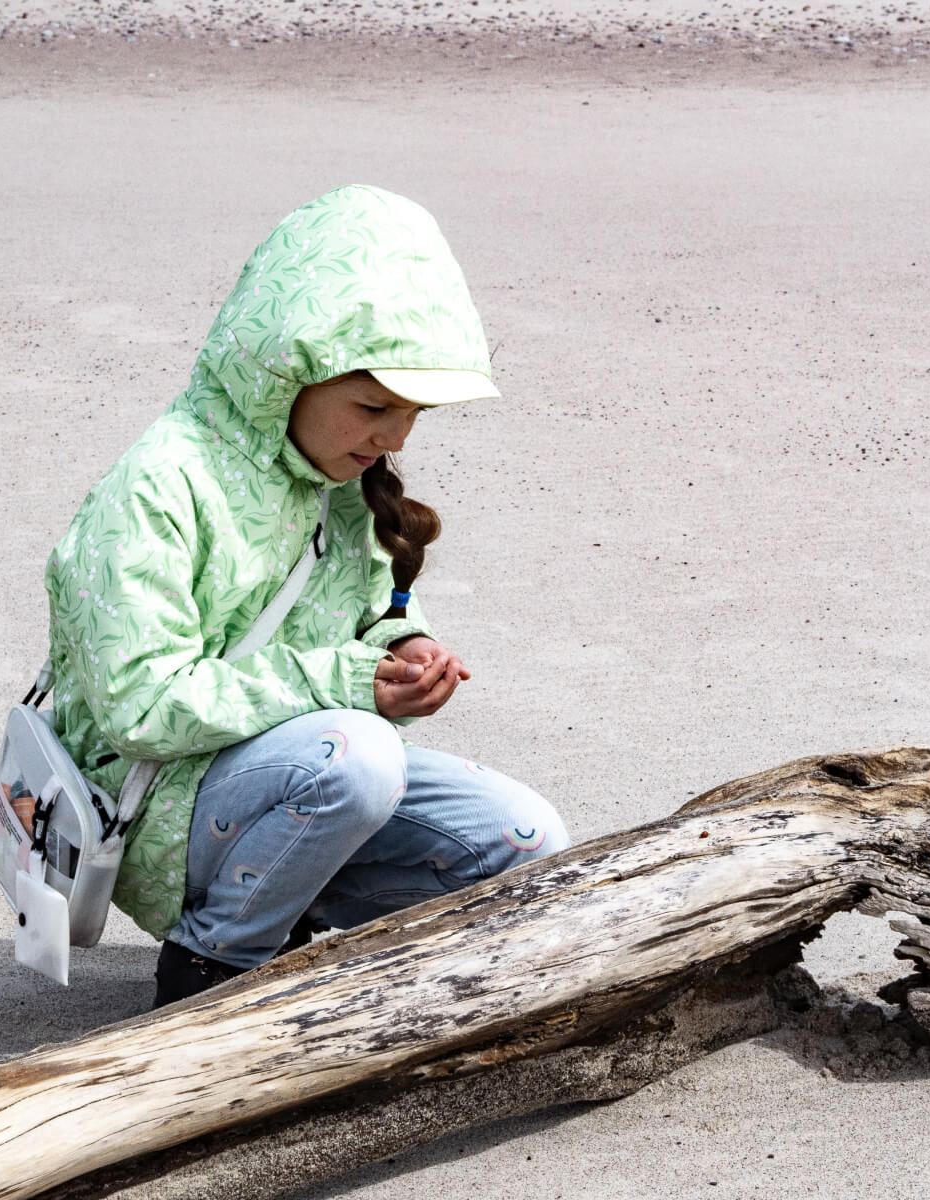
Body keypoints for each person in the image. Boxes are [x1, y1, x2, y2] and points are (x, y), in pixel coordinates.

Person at [41, 185, 571, 1007]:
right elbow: (138, 707)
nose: (394, 437)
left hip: (301, 775)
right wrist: (352, 685)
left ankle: (375, 986)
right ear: (284, 373)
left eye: (413, 412)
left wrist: (403, 646)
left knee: (525, 841)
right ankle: (213, 963)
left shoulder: (339, 475)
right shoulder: (158, 487)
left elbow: (362, 608)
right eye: (372, 406)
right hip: (158, 811)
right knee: (357, 757)